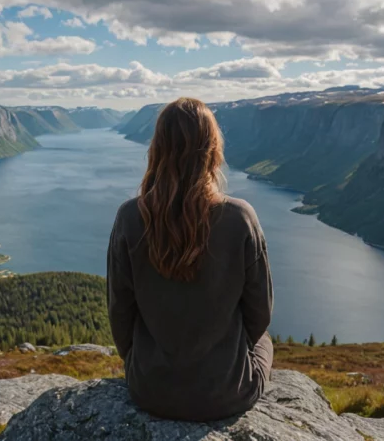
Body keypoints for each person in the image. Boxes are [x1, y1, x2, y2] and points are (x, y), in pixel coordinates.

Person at [106, 97, 273, 422]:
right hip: (228, 393)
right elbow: (260, 316)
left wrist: (140, 363)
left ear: (157, 149)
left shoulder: (129, 217)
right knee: (265, 341)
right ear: (212, 150)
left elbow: (119, 314)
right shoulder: (240, 218)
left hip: (149, 390)